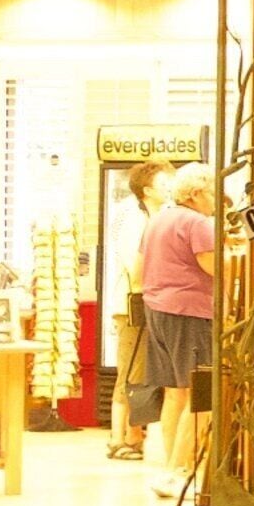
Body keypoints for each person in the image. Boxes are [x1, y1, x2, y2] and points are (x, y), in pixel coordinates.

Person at [133, 165, 218, 498]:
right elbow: (216, 268)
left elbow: (139, 271)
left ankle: (170, 468)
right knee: (201, 394)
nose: (215, 201)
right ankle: (177, 469)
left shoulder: (158, 220)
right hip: (190, 313)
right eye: (211, 193)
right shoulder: (197, 223)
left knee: (175, 392)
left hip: (157, 311)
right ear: (195, 193)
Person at [100, 161, 160, 458]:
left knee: (141, 371)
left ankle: (134, 433)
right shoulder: (133, 218)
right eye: (164, 182)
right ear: (147, 189)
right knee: (130, 371)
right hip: (132, 304)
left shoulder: (152, 216)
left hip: (147, 301)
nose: (171, 188)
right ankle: (118, 438)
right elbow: (135, 268)